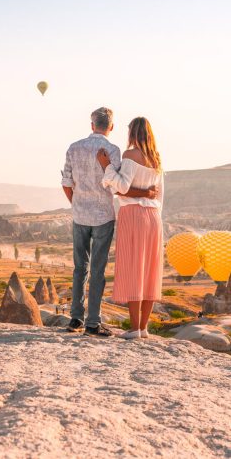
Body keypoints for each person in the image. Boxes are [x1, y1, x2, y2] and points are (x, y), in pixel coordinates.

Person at [62, 107, 158, 336]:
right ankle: (93, 323)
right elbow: (117, 185)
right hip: (104, 216)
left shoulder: (73, 148)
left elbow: (66, 182)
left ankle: (75, 318)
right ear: (111, 127)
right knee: (97, 269)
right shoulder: (113, 150)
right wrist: (145, 193)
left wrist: (76, 204)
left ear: (91, 124)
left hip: (80, 215)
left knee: (79, 268)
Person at [97, 116, 164, 339]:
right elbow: (158, 195)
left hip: (133, 215)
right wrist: (145, 195)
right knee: (149, 271)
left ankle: (134, 328)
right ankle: (143, 328)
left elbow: (123, 186)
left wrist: (107, 167)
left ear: (132, 132)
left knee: (134, 268)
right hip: (154, 217)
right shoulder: (156, 159)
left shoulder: (130, 154)